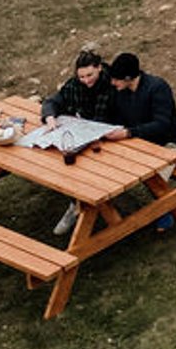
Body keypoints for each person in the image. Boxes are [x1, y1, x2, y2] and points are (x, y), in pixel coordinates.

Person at [106, 51, 176, 230]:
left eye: (117, 79)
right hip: (138, 143)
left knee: (151, 179)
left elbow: (162, 124)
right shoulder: (121, 92)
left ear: (128, 78)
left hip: (168, 144)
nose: (113, 83)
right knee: (110, 175)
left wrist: (128, 133)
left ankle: (164, 212)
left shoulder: (157, 87)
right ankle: (133, 215)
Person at [42, 50, 115, 236]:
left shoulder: (113, 84)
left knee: (87, 169)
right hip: (83, 137)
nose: (85, 80)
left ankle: (81, 207)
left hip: (110, 139)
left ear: (99, 68)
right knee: (65, 163)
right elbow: (52, 101)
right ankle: (76, 205)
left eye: (90, 75)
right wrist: (50, 117)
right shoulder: (74, 85)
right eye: (81, 76)